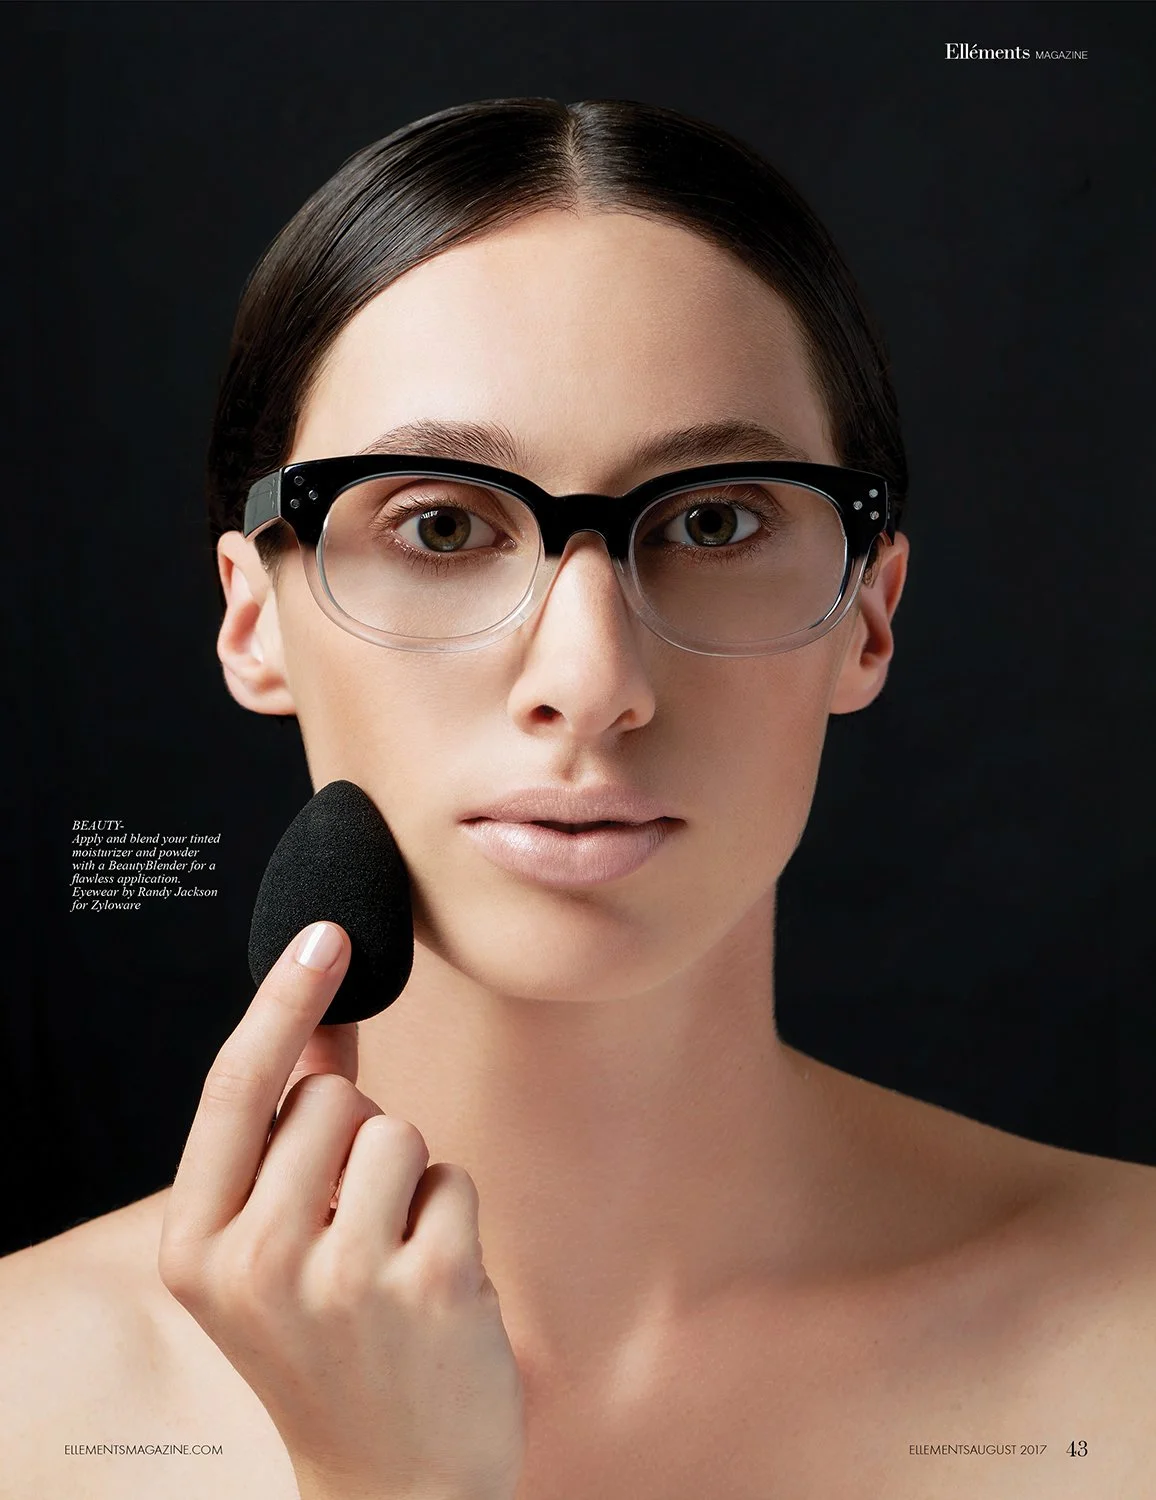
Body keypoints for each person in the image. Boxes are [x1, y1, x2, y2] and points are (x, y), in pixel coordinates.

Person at [1, 96, 1152, 1500]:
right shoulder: (28, 1397)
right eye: (439, 524)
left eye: (715, 520)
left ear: (869, 615)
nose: (592, 680)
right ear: (252, 621)